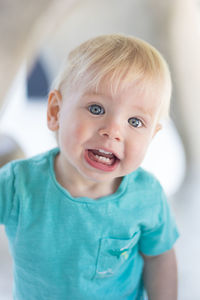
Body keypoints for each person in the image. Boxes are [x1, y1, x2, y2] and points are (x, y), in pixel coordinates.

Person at [0, 34, 179, 300]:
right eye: (96, 109)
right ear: (55, 112)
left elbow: (159, 259)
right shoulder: (18, 184)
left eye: (135, 121)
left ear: (152, 136)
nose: (113, 131)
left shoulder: (146, 196)